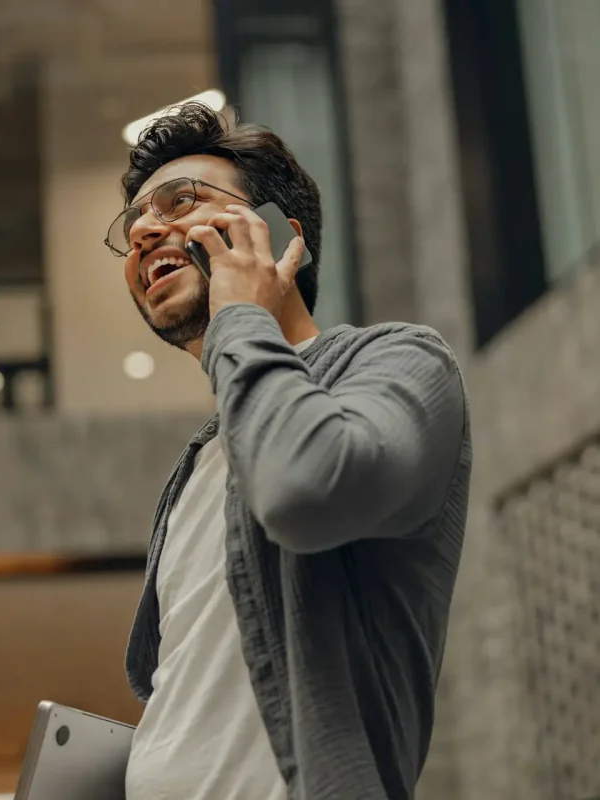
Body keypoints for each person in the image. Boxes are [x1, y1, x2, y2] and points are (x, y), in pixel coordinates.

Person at [106, 102, 472, 800]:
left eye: (180, 201)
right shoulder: (196, 467)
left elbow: (305, 490)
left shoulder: (403, 361)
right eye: (134, 226)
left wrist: (240, 314)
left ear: (277, 234)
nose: (146, 229)